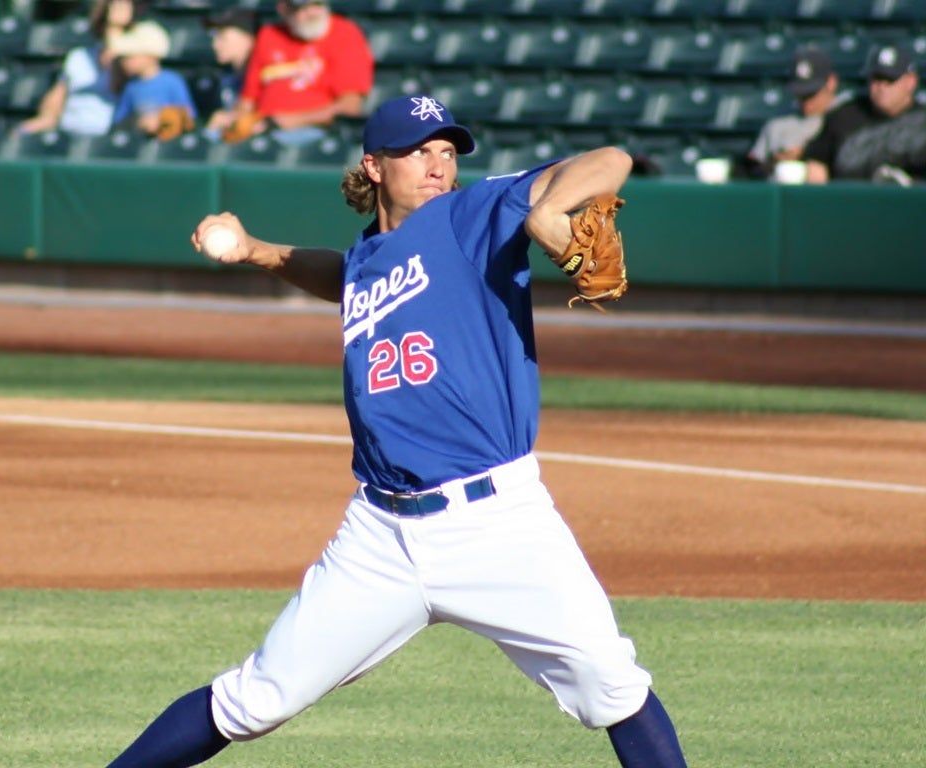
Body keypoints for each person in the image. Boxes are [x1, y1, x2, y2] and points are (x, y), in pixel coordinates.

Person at [102, 94, 688, 768]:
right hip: (378, 536)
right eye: (418, 151)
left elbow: (610, 159)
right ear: (374, 167)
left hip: (497, 523)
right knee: (254, 699)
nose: (438, 165)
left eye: (447, 151)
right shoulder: (370, 255)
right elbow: (345, 276)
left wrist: (546, 212)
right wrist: (257, 251)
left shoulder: (474, 216)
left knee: (611, 685)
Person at [217, 0, 373, 145]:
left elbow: (349, 106)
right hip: (263, 128)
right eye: (302, 7)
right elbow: (247, 100)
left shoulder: (344, 33)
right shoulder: (270, 35)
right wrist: (234, 120)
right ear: (284, 9)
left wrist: (290, 121)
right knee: (213, 137)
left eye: (317, 4)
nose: (312, 12)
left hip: (316, 131)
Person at [19, 0, 146, 136]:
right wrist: (46, 118)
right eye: (115, 5)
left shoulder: (136, 59)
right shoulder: (78, 57)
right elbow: (59, 94)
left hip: (109, 135)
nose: (119, 8)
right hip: (70, 132)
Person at [804, 44, 925, 184]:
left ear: (911, 82)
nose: (882, 87)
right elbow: (817, 165)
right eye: (876, 79)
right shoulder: (844, 116)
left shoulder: (922, 121)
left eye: (890, 80)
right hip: (850, 197)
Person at [747, 46, 841, 176]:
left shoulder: (848, 117)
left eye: (811, 94)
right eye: (800, 95)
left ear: (831, 83)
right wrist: (774, 162)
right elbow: (752, 169)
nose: (806, 102)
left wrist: (804, 156)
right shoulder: (778, 124)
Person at [108, 20, 197, 140]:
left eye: (131, 56)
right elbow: (120, 121)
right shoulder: (131, 86)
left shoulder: (172, 81)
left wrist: (162, 119)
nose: (125, 62)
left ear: (151, 56)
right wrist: (139, 122)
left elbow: (188, 116)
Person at [199, 7, 257, 137]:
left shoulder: (267, 78)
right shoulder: (226, 80)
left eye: (222, 36)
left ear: (248, 38)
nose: (215, 45)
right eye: (214, 36)